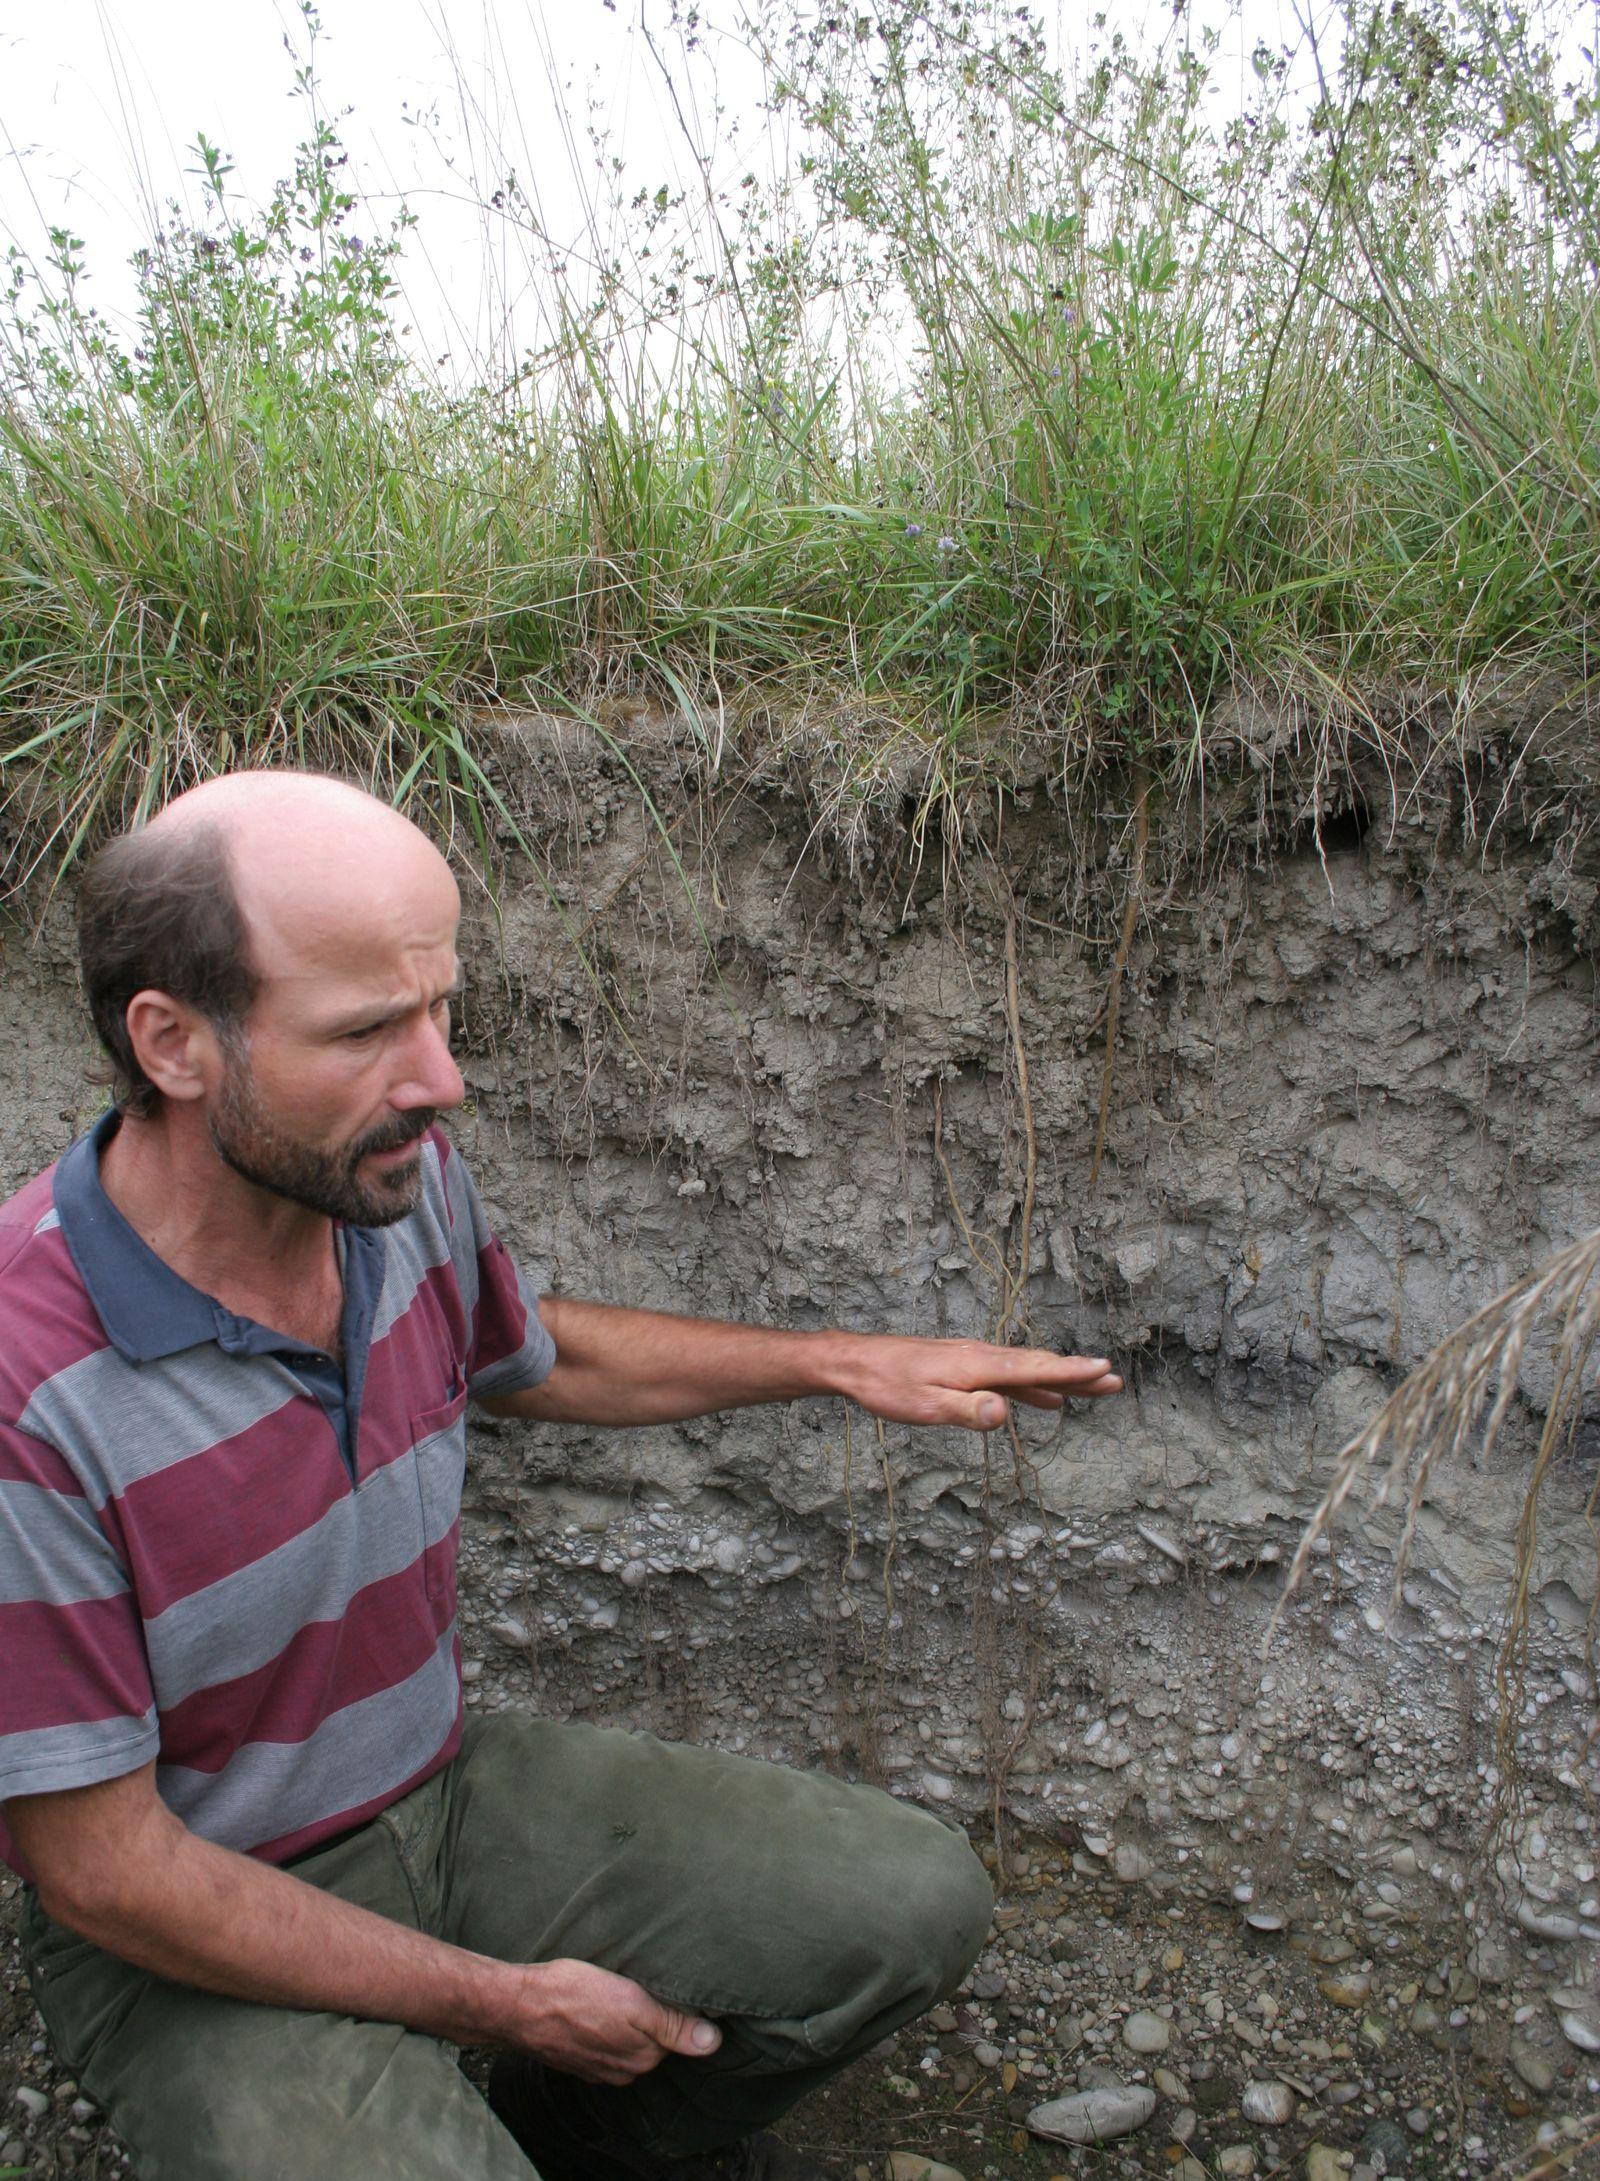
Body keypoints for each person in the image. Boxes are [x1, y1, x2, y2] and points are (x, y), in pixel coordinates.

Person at [0, 771, 1123, 2181]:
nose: (441, 1076)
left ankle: (556, 2148)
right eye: (367, 1030)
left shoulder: (380, 1181)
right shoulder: (28, 1395)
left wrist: (836, 1361)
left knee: (910, 1902)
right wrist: (510, 2002)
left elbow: (528, 1357)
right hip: (187, 1929)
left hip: (443, 1795)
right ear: (174, 1043)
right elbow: (108, 1873)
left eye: (439, 1008)